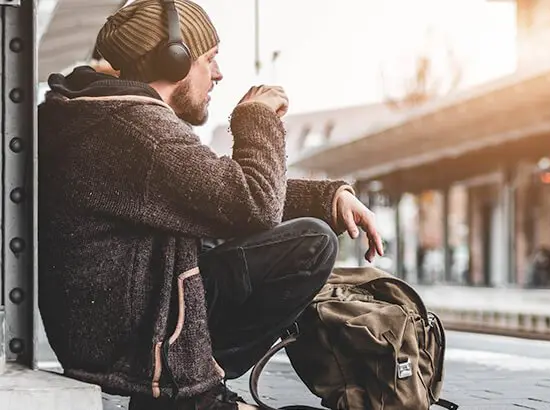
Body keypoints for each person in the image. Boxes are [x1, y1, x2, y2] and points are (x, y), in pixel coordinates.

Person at [36, 1, 383, 409]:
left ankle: (190, 385)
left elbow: (212, 187)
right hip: (131, 343)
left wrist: (329, 198)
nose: (218, 74)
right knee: (311, 243)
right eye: (210, 59)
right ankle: (192, 394)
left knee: (260, 234)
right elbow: (252, 203)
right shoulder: (139, 130)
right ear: (175, 60)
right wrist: (256, 116)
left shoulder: (108, 116)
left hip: (109, 327)